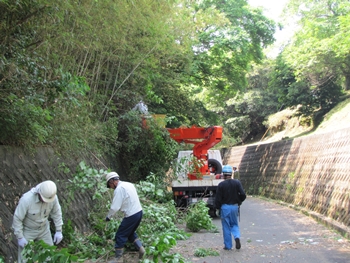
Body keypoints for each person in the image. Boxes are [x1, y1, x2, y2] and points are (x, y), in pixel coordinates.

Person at [12, 180, 63, 263]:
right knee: (24, 258)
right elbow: (17, 218)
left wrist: (59, 230)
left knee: (49, 255)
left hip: (44, 229)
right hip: (28, 230)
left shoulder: (53, 197)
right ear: (39, 193)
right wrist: (20, 237)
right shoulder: (26, 200)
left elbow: (57, 213)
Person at [105, 172, 145, 263]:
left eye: (110, 185)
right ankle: (141, 249)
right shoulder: (128, 184)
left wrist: (108, 216)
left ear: (113, 181)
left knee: (120, 234)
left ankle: (118, 258)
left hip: (131, 215)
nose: (111, 187)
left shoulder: (119, 189)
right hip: (139, 212)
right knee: (130, 232)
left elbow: (115, 207)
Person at [215, 165, 246, 250]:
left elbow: (218, 199)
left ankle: (228, 246)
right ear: (231, 174)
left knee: (226, 226)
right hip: (235, 207)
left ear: (224, 174)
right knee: (234, 224)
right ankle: (236, 236)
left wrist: (217, 208)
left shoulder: (221, 185)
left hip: (225, 208)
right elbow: (243, 195)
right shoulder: (237, 182)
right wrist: (239, 201)